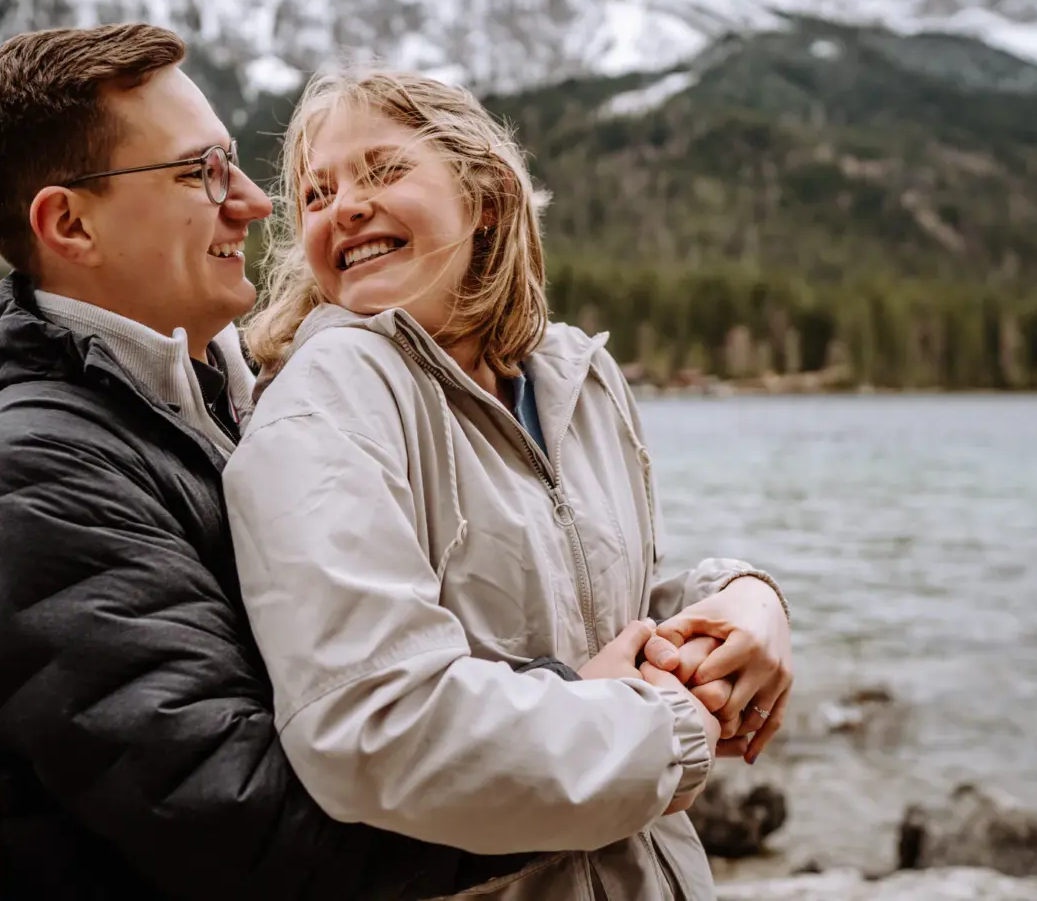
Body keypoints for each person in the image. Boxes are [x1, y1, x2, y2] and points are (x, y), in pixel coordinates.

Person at [0, 24, 666, 901]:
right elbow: (236, 819)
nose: (260, 205)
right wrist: (604, 719)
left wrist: (735, 600)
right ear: (70, 224)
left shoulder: (228, 396)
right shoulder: (19, 480)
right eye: (201, 172)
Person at [226, 67, 795, 900]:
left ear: (485, 195)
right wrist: (680, 725)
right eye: (316, 193)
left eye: (383, 172)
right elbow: (371, 725)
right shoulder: (327, 396)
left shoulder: (575, 375)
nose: (343, 206)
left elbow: (604, 611)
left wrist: (742, 603)